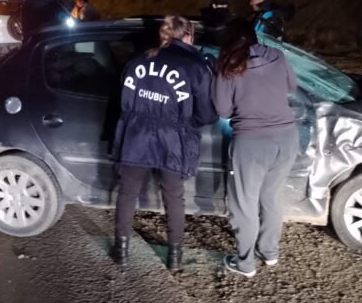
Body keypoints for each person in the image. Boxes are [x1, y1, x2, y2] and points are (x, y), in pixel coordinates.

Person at [111, 15, 218, 271]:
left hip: (135, 136)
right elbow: (206, 115)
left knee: (127, 192)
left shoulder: (139, 60)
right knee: (174, 198)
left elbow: (123, 102)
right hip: (173, 141)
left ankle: (122, 250)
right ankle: (174, 257)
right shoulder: (195, 67)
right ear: (188, 36)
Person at [212, 19, 299, 278]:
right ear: (255, 38)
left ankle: (245, 264)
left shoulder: (228, 66)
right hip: (286, 137)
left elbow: (223, 110)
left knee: (244, 204)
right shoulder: (277, 55)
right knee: (271, 197)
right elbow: (291, 86)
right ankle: (269, 252)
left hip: (251, 143)